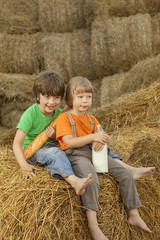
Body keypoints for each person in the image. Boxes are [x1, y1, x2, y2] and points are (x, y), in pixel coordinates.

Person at [56, 76, 155, 240]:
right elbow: (69, 142)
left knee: (124, 172)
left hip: (92, 152)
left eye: (89, 97)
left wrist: (102, 140)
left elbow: (104, 136)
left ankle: (133, 213)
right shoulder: (65, 118)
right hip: (75, 155)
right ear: (71, 99)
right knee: (92, 180)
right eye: (80, 97)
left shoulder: (91, 119)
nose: (85, 101)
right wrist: (92, 137)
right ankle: (93, 226)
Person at [13, 70, 92, 196]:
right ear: (38, 96)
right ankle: (74, 181)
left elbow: (62, 137)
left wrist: (55, 136)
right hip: (34, 150)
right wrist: (24, 165)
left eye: (56, 97)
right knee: (55, 154)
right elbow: (17, 143)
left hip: (52, 144)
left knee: (72, 151)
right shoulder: (30, 114)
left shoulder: (59, 113)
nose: (51, 102)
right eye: (47, 97)